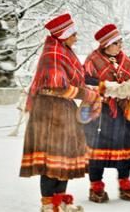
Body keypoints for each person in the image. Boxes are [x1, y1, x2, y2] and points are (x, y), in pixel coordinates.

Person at [20, 13, 101, 212]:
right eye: (73, 34)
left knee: (64, 159)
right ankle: (48, 204)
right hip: (49, 113)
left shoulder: (64, 51)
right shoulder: (52, 54)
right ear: (63, 35)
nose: (76, 37)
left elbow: (71, 84)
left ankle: (60, 201)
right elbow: (56, 87)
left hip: (62, 111)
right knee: (51, 160)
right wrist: (87, 95)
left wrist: (91, 92)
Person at [83, 24, 130, 203]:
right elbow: (85, 80)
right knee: (97, 152)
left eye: (120, 42)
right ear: (106, 45)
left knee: (124, 149)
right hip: (101, 113)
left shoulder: (125, 60)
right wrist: (110, 88)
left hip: (123, 114)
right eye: (116, 43)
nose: (120, 46)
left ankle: (125, 185)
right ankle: (96, 187)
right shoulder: (92, 60)